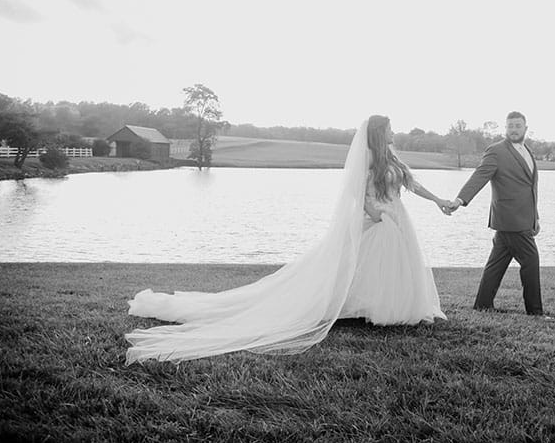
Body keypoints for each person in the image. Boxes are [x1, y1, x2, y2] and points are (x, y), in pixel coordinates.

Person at [125, 115, 450, 364]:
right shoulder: (367, 155)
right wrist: (374, 211)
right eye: (390, 128)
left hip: (398, 219)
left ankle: (391, 306)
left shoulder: (391, 156)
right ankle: (366, 307)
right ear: (380, 132)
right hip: (379, 217)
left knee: (392, 266)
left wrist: (439, 201)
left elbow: (412, 184)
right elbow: (354, 191)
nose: (394, 132)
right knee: (363, 265)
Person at [443, 111, 549, 318]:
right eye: (510, 126)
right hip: (510, 219)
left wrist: (535, 217)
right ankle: (535, 312)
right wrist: (460, 199)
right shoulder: (496, 151)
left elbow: (529, 189)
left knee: (497, 263)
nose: (513, 130)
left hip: (520, 219)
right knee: (531, 262)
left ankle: (482, 305)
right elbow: (480, 176)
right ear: (505, 128)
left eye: (518, 126)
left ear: (525, 128)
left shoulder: (527, 150)